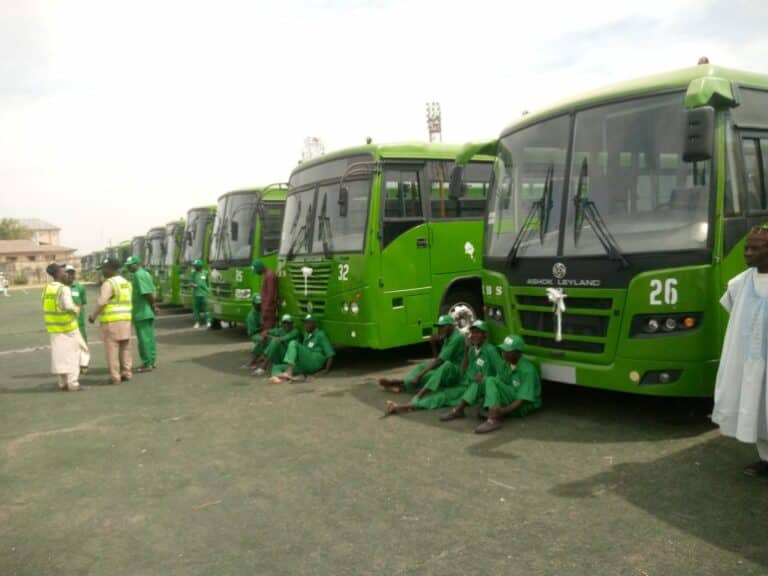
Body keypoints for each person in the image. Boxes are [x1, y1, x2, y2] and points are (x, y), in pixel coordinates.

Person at [712, 224, 768, 477]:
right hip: (750, 362)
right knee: (757, 408)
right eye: (747, 247)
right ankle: (766, 459)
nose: (747, 252)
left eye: (755, 248)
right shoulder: (739, 284)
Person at [385, 320, 504, 416]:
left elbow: (502, 372)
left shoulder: (490, 350)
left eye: (478, 333)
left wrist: (485, 378)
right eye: (473, 333)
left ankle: (405, 406)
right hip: (464, 380)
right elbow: (463, 369)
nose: (474, 335)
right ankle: (410, 392)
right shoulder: (473, 349)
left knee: (443, 396)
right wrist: (467, 350)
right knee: (438, 379)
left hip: (473, 387)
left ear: (485, 335)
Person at [378, 314, 465, 396]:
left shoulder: (456, 338)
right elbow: (438, 358)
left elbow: (440, 361)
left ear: (451, 326)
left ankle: (398, 384)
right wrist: (433, 344)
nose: (440, 329)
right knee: (422, 366)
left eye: (443, 326)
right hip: (445, 366)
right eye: (439, 327)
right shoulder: (448, 336)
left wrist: (419, 376)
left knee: (428, 375)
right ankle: (399, 384)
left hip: (455, 370)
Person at [473, 335, 541, 434]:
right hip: (512, 396)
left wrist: (503, 411)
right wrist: (482, 380)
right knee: (489, 381)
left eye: (507, 351)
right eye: (503, 349)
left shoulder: (528, 370)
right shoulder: (506, 364)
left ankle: (493, 420)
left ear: (518, 353)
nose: (503, 353)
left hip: (524, 405)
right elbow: (497, 384)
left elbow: (522, 399)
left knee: (491, 381)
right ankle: (493, 411)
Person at [42, 262, 90, 391]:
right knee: (76, 354)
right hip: (68, 327)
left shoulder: (47, 288)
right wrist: (76, 309)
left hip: (54, 328)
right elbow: (68, 306)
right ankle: (73, 383)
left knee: (60, 357)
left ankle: (62, 383)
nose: (66, 274)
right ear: (58, 274)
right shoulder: (64, 289)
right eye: (64, 272)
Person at [88, 257, 133, 385]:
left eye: (103, 268)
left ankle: (115, 377)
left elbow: (102, 302)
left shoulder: (109, 283)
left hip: (112, 321)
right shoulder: (126, 282)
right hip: (126, 319)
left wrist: (93, 316)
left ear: (110, 269)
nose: (102, 271)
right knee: (125, 347)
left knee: (112, 349)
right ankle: (127, 372)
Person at [269, 314, 334, 382]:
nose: (305, 325)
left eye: (307, 323)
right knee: (276, 367)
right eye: (305, 323)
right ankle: (284, 378)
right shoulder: (306, 334)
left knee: (293, 343)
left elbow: (330, 353)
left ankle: (288, 372)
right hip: (304, 363)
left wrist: (326, 370)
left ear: (315, 324)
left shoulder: (320, 334)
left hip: (314, 362)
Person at [125, 256, 159, 372]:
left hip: (142, 312)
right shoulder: (146, 273)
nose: (128, 267)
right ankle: (152, 361)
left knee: (144, 340)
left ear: (137, 264)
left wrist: (153, 305)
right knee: (150, 338)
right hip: (147, 311)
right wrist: (154, 306)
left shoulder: (138, 275)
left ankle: (147, 363)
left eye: (130, 265)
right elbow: (153, 291)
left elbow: (147, 293)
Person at [64, 265, 90, 373]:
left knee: (82, 343)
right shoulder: (61, 288)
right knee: (68, 345)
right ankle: (71, 365)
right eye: (68, 273)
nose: (70, 275)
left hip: (79, 321)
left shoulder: (80, 287)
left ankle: (83, 365)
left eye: (72, 273)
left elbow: (83, 302)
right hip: (65, 322)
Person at [252, 259, 278, 332]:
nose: (257, 273)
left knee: (267, 330)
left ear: (260, 268)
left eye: (257, 271)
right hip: (266, 307)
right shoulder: (266, 275)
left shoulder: (269, 276)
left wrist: (266, 309)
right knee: (265, 328)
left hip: (269, 309)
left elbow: (271, 294)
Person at [188, 259, 210, 329]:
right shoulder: (193, 274)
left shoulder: (206, 273)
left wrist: (208, 290)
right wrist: (192, 285)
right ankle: (197, 322)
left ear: (200, 266)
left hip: (204, 294)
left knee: (207, 309)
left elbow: (208, 283)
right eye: (194, 266)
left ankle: (208, 322)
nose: (194, 267)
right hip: (196, 294)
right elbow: (190, 283)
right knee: (196, 310)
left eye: (196, 265)